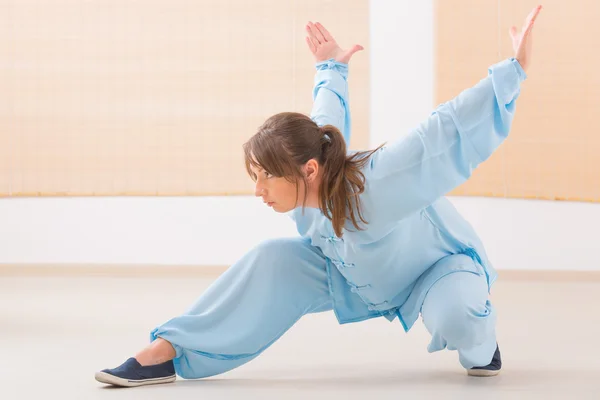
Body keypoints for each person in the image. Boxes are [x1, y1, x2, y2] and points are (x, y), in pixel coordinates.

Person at [95, 5, 542, 387]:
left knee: (459, 320)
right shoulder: (314, 155)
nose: (258, 191)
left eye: (266, 177)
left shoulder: (379, 180)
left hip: (432, 270)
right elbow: (326, 112)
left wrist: (512, 72)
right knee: (271, 258)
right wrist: (331, 65)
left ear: (308, 172)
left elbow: (443, 132)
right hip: (346, 270)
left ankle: (482, 342)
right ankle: (168, 351)